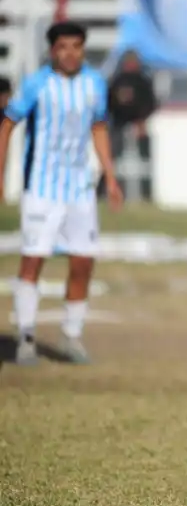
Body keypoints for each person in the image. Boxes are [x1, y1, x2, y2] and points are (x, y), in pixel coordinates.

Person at [0, 21, 123, 365]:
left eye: (76, 47)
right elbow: (7, 123)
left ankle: (71, 335)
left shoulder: (94, 83)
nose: (70, 54)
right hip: (41, 187)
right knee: (33, 259)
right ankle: (25, 337)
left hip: (80, 188)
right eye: (63, 47)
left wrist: (110, 176)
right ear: (52, 50)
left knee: (83, 261)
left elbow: (98, 127)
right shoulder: (37, 84)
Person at [105, 50, 157, 201]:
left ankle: (146, 195)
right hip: (118, 124)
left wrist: (141, 120)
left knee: (144, 161)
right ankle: (110, 192)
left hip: (139, 124)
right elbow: (109, 102)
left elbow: (150, 103)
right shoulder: (118, 81)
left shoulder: (143, 81)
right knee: (112, 159)